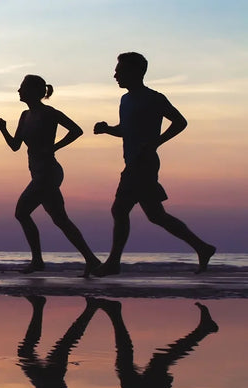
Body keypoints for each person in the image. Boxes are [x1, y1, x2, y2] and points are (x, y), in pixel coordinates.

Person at [92, 52, 216, 276]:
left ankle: (113, 263)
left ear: (135, 72)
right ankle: (202, 247)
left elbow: (180, 121)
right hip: (133, 163)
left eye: (119, 70)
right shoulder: (125, 100)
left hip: (144, 164)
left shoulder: (154, 98)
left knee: (120, 209)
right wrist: (108, 129)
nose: (115, 75)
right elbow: (126, 130)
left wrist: (155, 143)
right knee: (155, 215)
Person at [0, 75, 101, 276]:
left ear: (34, 91)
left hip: (48, 172)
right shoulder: (25, 115)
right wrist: (3, 130)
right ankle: (92, 260)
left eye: (22, 87)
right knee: (61, 220)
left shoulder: (49, 113)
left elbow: (76, 130)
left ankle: (37, 261)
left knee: (22, 212)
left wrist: (53, 147)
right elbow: (15, 146)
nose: (18, 91)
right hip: (38, 173)